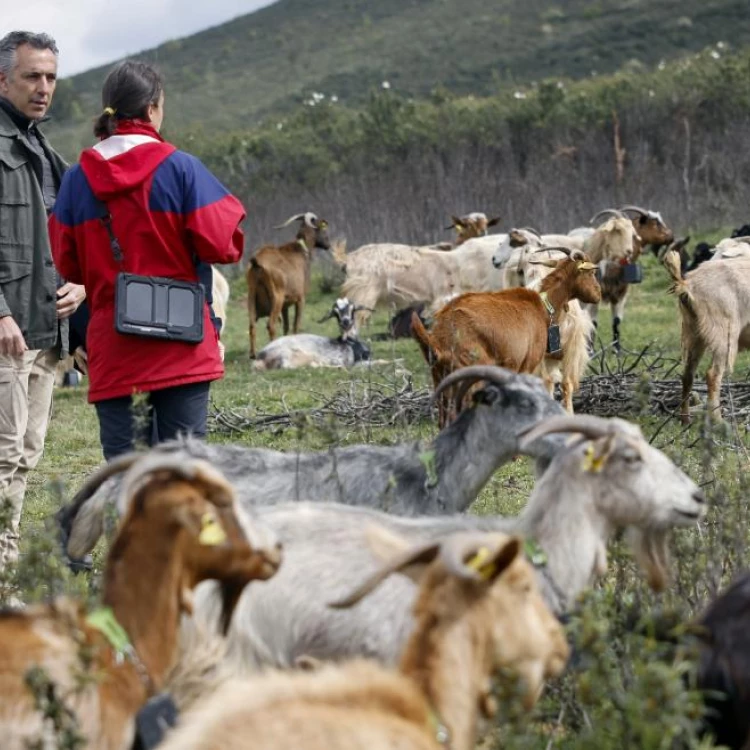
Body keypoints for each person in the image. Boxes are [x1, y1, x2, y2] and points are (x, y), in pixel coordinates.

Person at [49, 60, 245, 461]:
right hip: (183, 345)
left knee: (126, 478)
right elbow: (225, 246)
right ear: (152, 109)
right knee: (184, 475)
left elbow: (67, 265)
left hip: (115, 349)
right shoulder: (181, 167)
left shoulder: (75, 180)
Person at [0, 31, 86, 567]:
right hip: (7, 331)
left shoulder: (42, 151)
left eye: (51, 77)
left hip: (45, 331)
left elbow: (61, 242)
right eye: (32, 75)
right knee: (3, 456)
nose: (43, 87)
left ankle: (5, 570)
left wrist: (78, 284)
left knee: (26, 455)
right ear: (2, 78)